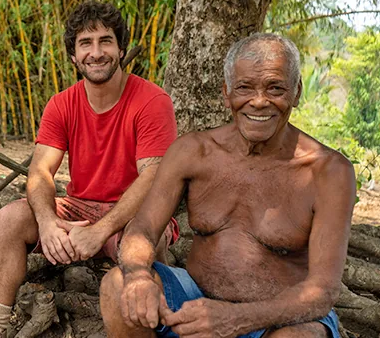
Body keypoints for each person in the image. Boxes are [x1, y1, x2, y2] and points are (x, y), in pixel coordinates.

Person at [100, 33, 355, 338]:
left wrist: (236, 318)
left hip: (279, 318)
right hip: (194, 300)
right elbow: (142, 229)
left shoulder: (329, 172)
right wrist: (139, 277)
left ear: (296, 92)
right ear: (226, 93)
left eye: (275, 88)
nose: (258, 101)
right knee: (117, 286)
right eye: (244, 87)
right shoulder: (193, 151)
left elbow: (323, 291)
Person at [0, 1, 179, 338]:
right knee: (10, 217)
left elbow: (153, 176)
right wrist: (47, 222)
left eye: (105, 41)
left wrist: (101, 231)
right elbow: (40, 171)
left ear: (121, 48)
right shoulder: (61, 104)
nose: (96, 53)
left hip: (134, 212)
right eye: (86, 43)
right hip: (80, 208)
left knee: (143, 238)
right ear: (73, 55)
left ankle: (153, 321)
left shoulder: (152, 101)